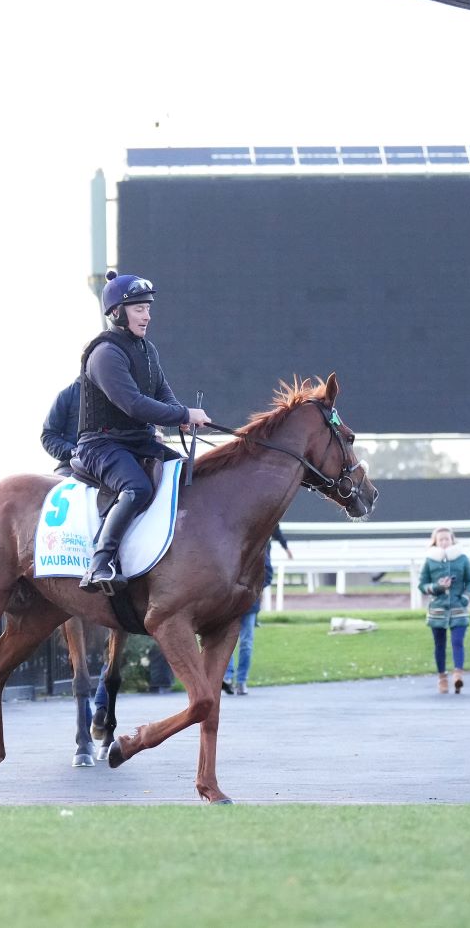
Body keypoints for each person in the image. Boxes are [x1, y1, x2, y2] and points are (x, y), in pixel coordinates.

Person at [72, 271, 209, 593]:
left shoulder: (148, 350)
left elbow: (162, 392)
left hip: (138, 442)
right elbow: (133, 405)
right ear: (116, 313)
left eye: (148, 308)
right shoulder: (105, 354)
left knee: (186, 473)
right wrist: (184, 413)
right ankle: (100, 563)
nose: (147, 315)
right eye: (138, 309)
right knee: (137, 488)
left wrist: (180, 417)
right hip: (101, 445)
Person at [223, 527, 290, 695]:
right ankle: (228, 677)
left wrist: (251, 590)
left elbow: (267, 573)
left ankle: (241, 680)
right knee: (227, 640)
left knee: (245, 642)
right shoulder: (231, 547)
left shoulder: (259, 548)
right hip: (232, 603)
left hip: (248, 602)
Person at [418, 526, 470, 695]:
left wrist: (464, 599)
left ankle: (458, 674)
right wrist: (437, 587)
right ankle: (442, 678)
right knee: (439, 645)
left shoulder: (462, 559)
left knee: (458, 641)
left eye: (447, 539)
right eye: (440, 539)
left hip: (458, 608)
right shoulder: (429, 561)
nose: (444, 542)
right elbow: (422, 585)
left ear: (452, 540)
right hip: (438, 609)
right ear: (435, 541)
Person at [41, 377, 83, 474]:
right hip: (72, 465)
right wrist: (72, 451)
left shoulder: (118, 393)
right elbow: (48, 435)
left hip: (112, 462)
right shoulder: (67, 395)